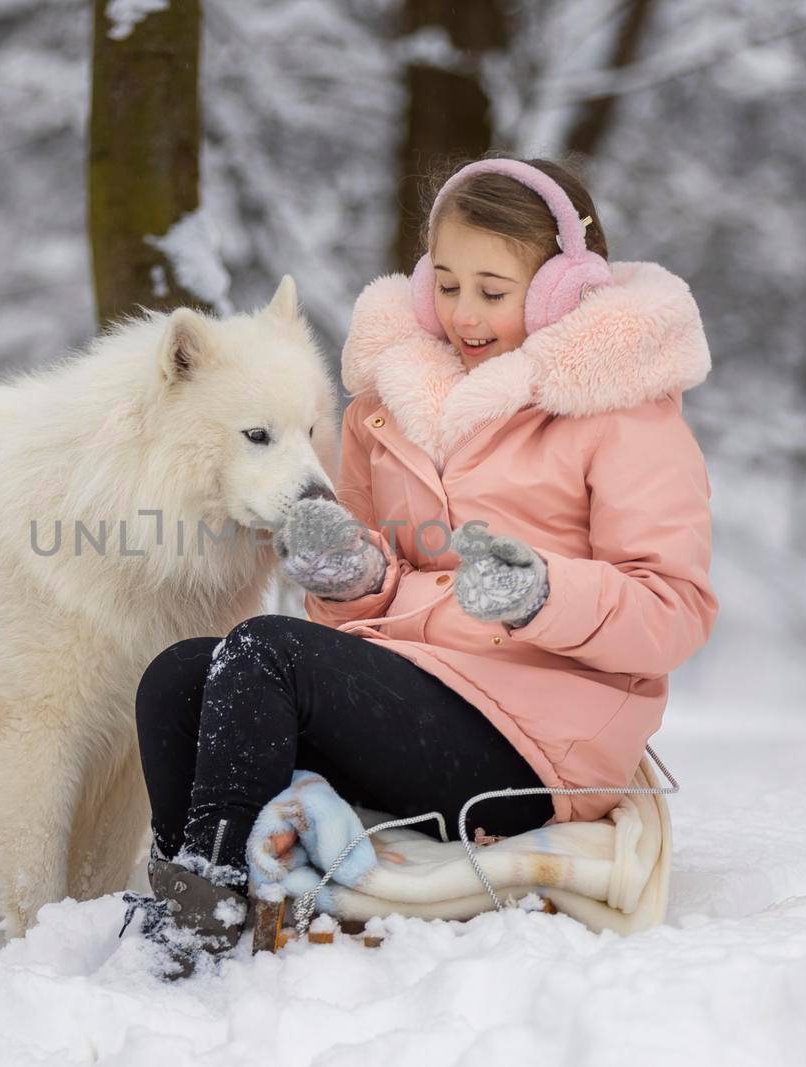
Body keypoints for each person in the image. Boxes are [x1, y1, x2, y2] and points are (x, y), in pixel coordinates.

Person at [128, 156, 718, 979]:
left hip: (535, 742)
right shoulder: (388, 404)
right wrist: (350, 577)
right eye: (445, 284)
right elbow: (381, 590)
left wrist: (541, 593)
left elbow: (675, 609)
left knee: (263, 649)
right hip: (413, 688)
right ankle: (187, 888)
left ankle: (205, 929)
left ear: (561, 289)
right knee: (179, 675)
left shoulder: (623, 413)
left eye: (492, 288)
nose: (464, 313)